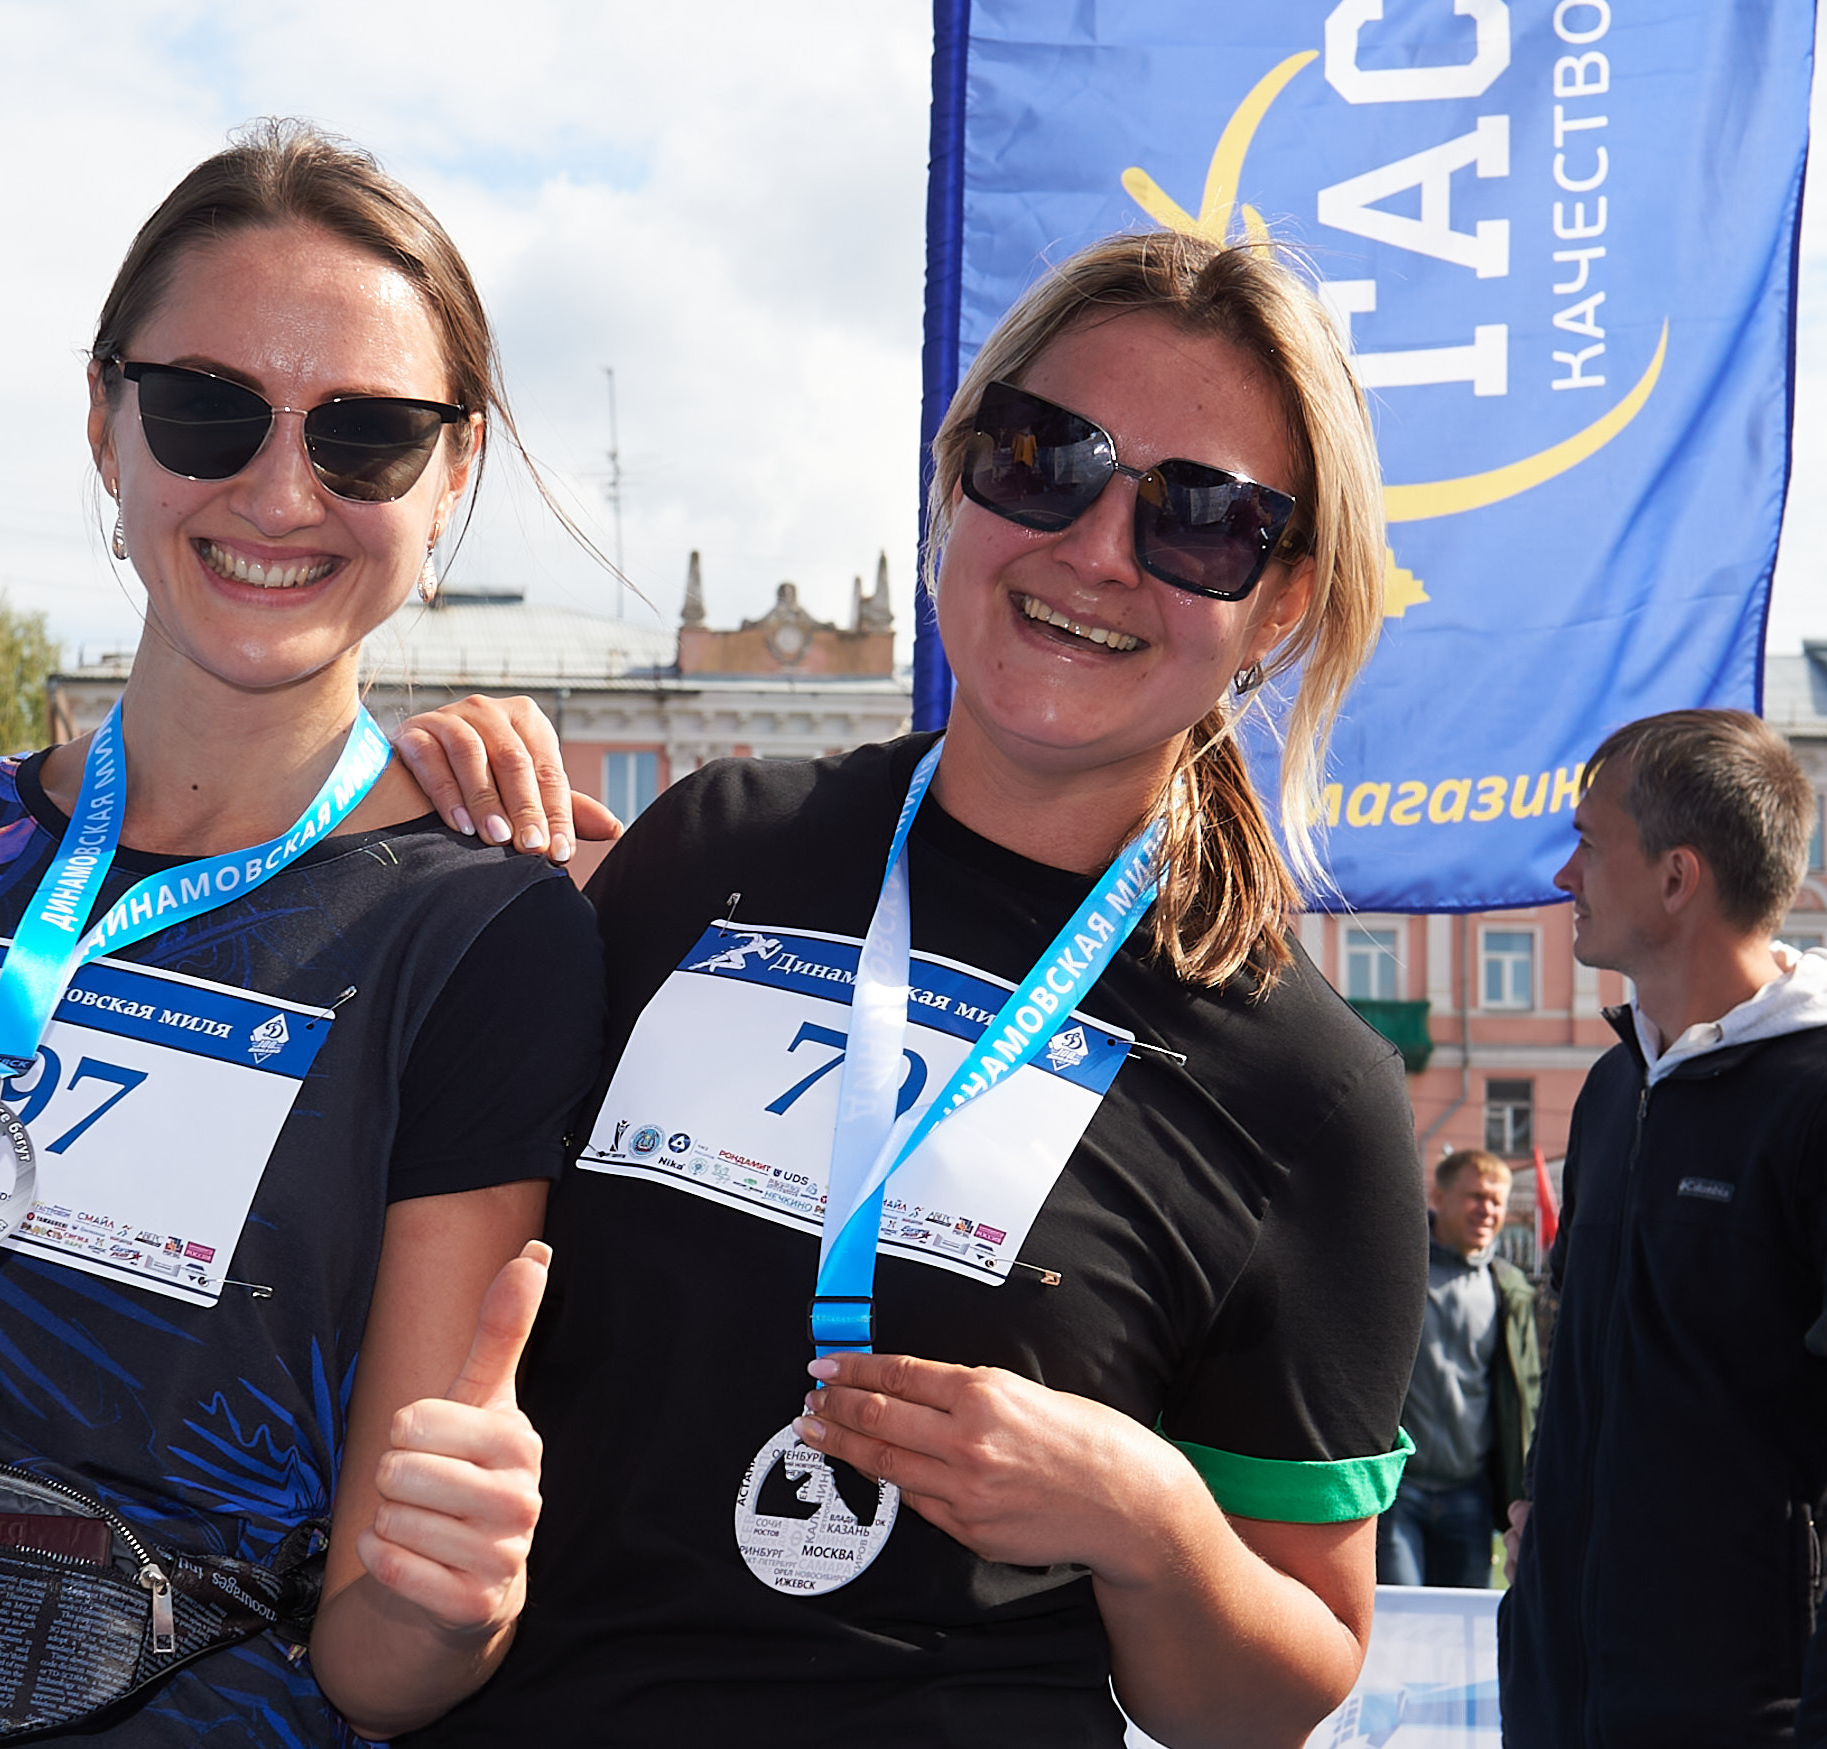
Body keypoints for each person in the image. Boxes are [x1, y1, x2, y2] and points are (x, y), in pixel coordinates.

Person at [0, 122, 604, 1747]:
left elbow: (379, 1662)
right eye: (210, 408)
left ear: (457, 472)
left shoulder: (483, 927)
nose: (282, 489)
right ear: (106, 421)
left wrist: (447, 1592)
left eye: (366, 434)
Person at [402, 229, 1426, 1749]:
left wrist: (1150, 1519)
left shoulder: (1307, 1089)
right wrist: (413, 812)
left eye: (1201, 520)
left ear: (1277, 608)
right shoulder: (708, 848)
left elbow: (1279, 1683)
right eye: (1044, 456)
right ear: (958, 481)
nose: (1095, 548)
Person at [1498, 709, 1827, 1745]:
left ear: (1677, 877)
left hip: (1743, 1709)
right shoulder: (1607, 1089)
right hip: (1563, 1693)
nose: (1563, 877)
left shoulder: (1813, 1100)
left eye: (1589, 844)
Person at [1376, 1149, 1538, 1589]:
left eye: (1497, 1201)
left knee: (1460, 1636)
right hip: (1398, 1493)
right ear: (1439, 1197)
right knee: (1402, 1629)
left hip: (1469, 1496)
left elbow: (1524, 1397)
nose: (1487, 1210)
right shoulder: (1399, 1272)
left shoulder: (1509, 1291)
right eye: (1476, 1196)